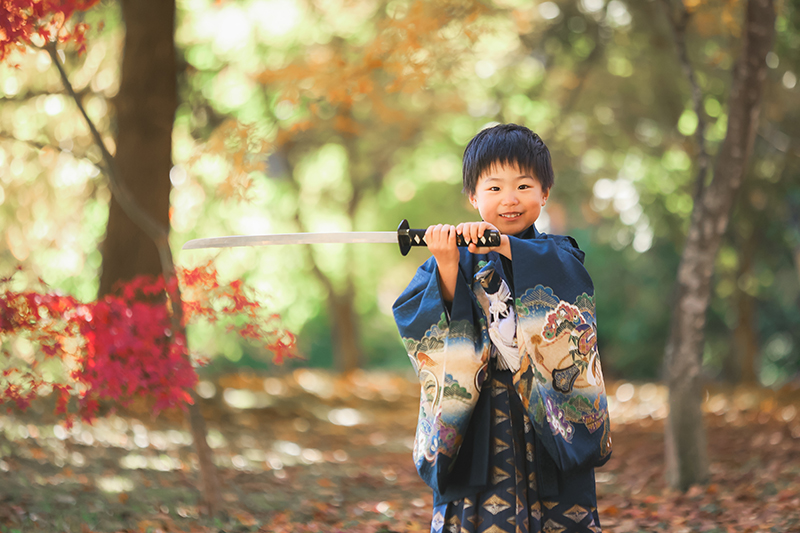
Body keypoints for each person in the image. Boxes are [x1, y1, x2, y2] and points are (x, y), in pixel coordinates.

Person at [393, 123, 612, 533]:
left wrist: (499, 245)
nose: (509, 200)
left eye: (524, 186)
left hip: (550, 421)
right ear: (473, 196)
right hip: (479, 424)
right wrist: (447, 265)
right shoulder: (453, 254)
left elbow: (565, 290)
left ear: (544, 193)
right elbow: (422, 326)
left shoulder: (560, 256)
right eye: (493, 188)